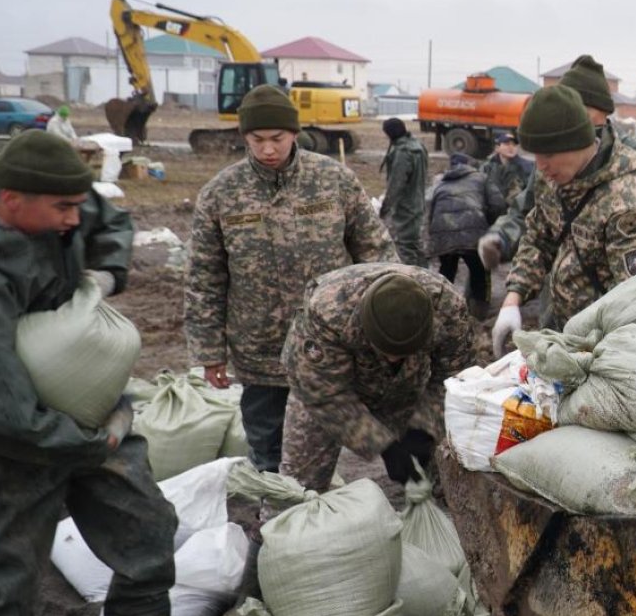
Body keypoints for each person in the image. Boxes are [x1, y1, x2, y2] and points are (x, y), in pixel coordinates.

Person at [0, 132, 176, 616]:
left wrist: (105, 272)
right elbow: (11, 413)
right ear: (9, 200)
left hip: (94, 414)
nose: (75, 219)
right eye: (62, 209)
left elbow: (109, 221)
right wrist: (101, 441)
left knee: (148, 535)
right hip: (18, 449)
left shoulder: (61, 201)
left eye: (77, 205)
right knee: (6, 595)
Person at [185, 84, 397, 474]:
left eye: (277, 139)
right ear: (244, 137)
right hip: (258, 345)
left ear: (295, 134)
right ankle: (274, 524)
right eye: (257, 139)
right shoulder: (220, 194)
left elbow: (377, 255)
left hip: (326, 343)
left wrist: (384, 324)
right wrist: (208, 350)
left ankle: (313, 517)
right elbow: (204, 277)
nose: (268, 149)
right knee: (266, 445)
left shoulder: (334, 180)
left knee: (323, 442)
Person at [478, 55, 636, 276]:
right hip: (558, 294)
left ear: (602, 111)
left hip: (611, 293)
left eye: (580, 109)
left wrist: (630, 251)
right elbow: (527, 211)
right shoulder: (552, 161)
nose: (570, 117)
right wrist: (502, 237)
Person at [490, 85, 636, 352]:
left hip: (602, 348)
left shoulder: (628, 208)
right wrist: (512, 300)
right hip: (560, 331)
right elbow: (539, 238)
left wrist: (588, 358)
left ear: (578, 144)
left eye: (548, 155)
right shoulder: (553, 179)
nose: (541, 166)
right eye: (534, 155)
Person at [279, 264, 477, 492]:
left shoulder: (448, 308)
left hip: (408, 385)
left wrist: (425, 426)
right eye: (386, 350)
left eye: (402, 352)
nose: (392, 359)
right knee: (297, 488)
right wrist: (383, 445)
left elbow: (456, 379)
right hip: (328, 391)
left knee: (445, 471)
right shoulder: (328, 310)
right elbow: (324, 394)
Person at [428, 152, 505, 316]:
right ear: (470, 164)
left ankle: (440, 310)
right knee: (480, 273)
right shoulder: (482, 178)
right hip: (473, 231)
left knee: (446, 272)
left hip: (442, 233)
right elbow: (498, 204)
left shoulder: (441, 183)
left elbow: (431, 211)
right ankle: (478, 314)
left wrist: (435, 237)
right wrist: (490, 224)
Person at [378, 117, 429, 266]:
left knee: (405, 246)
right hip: (417, 201)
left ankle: (410, 281)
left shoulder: (403, 152)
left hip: (406, 206)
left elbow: (397, 183)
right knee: (415, 244)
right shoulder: (417, 146)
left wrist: (385, 207)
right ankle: (426, 277)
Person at [485, 131, 532, 210]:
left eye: (514, 145)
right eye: (507, 144)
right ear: (497, 148)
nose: (511, 147)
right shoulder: (488, 167)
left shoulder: (526, 167)